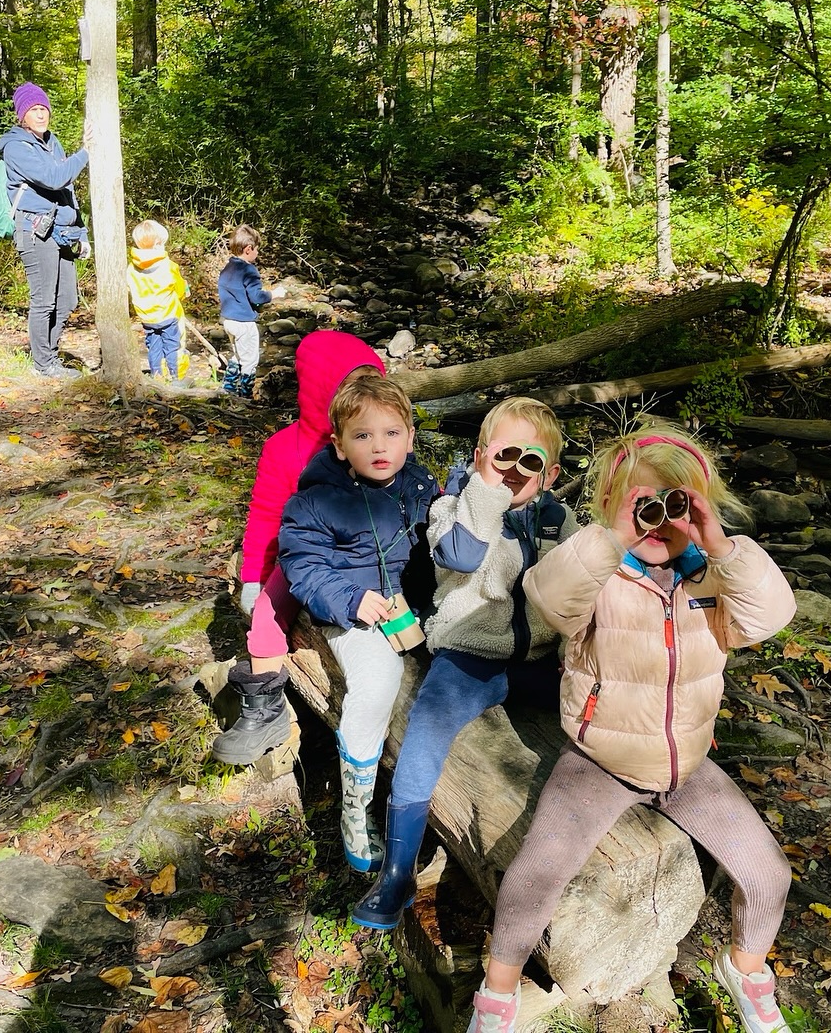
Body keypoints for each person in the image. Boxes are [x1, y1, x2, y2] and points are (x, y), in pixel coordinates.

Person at [465, 420, 798, 1033]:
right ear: (611, 511)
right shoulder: (600, 575)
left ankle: (746, 970)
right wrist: (610, 536)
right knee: (537, 870)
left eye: (674, 507)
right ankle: (499, 989)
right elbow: (549, 597)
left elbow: (774, 614)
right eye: (640, 508)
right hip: (600, 761)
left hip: (687, 765)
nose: (657, 524)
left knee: (768, 873)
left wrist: (721, 546)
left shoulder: (714, 578)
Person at [351, 397, 578, 930]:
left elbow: (582, 594)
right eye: (504, 455)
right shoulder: (451, 509)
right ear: (478, 457)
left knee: (598, 705)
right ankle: (399, 870)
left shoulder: (559, 521)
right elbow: (464, 556)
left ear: (552, 474)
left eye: (531, 461)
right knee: (426, 730)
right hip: (469, 654)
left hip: (540, 658)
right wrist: (485, 489)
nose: (515, 470)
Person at [278, 376, 437, 873]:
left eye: (392, 433)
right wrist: (350, 599)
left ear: (410, 437)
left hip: (410, 607)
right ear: (340, 445)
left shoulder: (418, 483)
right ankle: (358, 805)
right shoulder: (316, 499)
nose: (379, 446)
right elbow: (303, 565)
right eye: (363, 436)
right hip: (351, 612)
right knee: (377, 684)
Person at [213, 332, 387, 765]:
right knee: (269, 617)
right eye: (351, 392)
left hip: (373, 555)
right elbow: (266, 517)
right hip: (305, 558)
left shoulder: (373, 439)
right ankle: (265, 705)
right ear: (323, 395)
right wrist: (254, 576)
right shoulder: (285, 450)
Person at [0, 82, 89, 378]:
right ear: (22, 116)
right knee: (44, 299)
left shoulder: (52, 142)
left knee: (68, 300)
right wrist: (87, 152)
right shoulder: (15, 148)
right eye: (34, 110)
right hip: (35, 232)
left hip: (61, 230)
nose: (40, 115)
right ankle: (44, 364)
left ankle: (50, 355)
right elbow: (54, 178)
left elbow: (68, 190)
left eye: (43, 109)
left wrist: (82, 231)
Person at [216, 224, 286, 398]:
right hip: (244, 323)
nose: (258, 254)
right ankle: (246, 395)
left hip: (229, 320)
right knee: (250, 360)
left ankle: (229, 388)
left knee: (237, 355)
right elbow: (256, 297)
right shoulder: (249, 270)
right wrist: (274, 294)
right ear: (248, 249)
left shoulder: (228, 267)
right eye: (257, 250)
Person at [127, 220, 190, 381]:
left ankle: (157, 376)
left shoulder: (132, 268)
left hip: (147, 317)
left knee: (154, 347)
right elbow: (180, 290)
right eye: (162, 244)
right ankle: (178, 378)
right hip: (168, 315)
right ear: (157, 244)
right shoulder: (168, 266)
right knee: (173, 347)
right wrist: (184, 291)